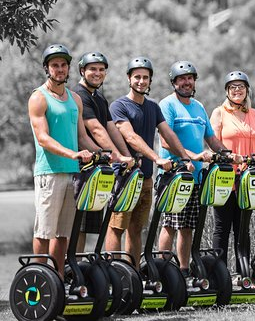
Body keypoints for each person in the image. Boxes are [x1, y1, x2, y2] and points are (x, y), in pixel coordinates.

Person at [107, 56, 194, 268]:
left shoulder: (153, 107)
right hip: (124, 177)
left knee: (136, 230)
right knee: (116, 227)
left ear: (150, 80)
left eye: (145, 77)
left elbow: (168, 133)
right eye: (137, 77)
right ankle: (114, 273)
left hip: (145, 178)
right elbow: (130, 137)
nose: (141, 81)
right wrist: (156, 158)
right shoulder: (119, 106)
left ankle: (133, 272)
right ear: (129, 78)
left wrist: (185, 157)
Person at [28, 43, 100, 276]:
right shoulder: (39, 98)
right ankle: (39, 278)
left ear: (69, 68)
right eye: (55, 65)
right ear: (47, 69)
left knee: (62, 234)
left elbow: (82, 137)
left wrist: (104, 154)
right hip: (49, 173)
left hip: (72, 172)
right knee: (44, 232)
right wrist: (72, 154)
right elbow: (43, 138)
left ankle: (57, 279)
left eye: (63, 65)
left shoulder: (74, 99)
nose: (60, 69)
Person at [157, 61, 232, 278]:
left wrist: (228, 154)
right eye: (182, 79)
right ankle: (163, 269)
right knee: (170, 224)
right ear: (174, 82)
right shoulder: (167, 105)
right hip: (174, 176)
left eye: (190, 78)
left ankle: (183, 271)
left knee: (187, 226)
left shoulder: (198, 107)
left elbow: (211, 139)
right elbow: (165, 141)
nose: (186, 82)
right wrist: (191, 155)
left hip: (196, 177)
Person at [209, 70, 255, 279]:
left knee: (242, 229)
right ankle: (219, 275)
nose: (237, 90)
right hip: (225, 179)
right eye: (233, 87)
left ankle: (243, 274)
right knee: (222, 228)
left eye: (241, 87)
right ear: (227, 91)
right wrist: (229, 157)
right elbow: (213, 144)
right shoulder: (219, 113)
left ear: (247, 90)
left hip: (249, 180)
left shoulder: (253, 114)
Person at [73, 52, 135, 253]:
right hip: (81, 167)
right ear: (82, 71)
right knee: (77, 226)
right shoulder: (79, 95)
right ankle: (72, 266)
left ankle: (80, 265)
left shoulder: (98, 96)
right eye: (93, 69)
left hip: (97, 168)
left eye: (101, 69)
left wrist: (125, 155)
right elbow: (95, 129)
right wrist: (116, 156)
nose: (97, 73)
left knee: (85, 226)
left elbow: (110, 127)